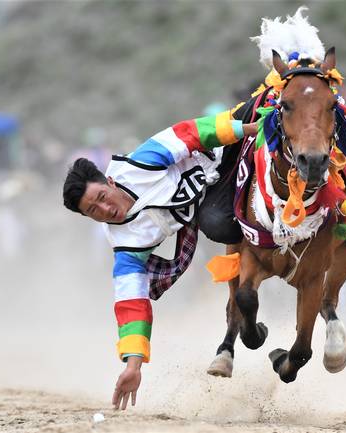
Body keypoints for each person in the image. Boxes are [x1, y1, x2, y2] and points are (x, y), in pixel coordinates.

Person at [63, 110, 259, 410]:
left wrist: (249, 128)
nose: (104, 209)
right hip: (212, 204)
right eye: (93, 211)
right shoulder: (125, 245)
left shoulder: (141, 162)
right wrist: (133, 365)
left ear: (111, 182)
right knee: (218, 224)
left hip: (225, 150)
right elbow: (131, 304)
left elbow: (191, 132)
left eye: (102, 197)